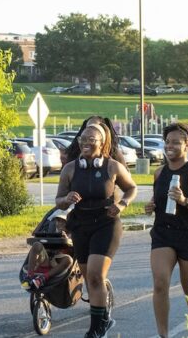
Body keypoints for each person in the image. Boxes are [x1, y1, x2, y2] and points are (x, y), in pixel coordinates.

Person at [55, 122, 137, 338]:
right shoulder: (70, 169)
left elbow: (132, 188)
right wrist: (66, 198)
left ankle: (96, 328)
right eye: (83, 138)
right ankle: (104, 319)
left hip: (106, 224)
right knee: (88, 277)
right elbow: (59, 201)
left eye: (92, 140)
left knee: (94, 275)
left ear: (102, 144)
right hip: (80, 225)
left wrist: (121, 204)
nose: (86, 143)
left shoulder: (112, 167)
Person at [144, 122, 188, 338]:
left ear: (187, 145)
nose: (170, 146)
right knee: (160, 283)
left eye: (175, 142)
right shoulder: (159, 172)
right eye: (167, 142)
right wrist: (151, 205)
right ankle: (163, 335)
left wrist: (185, 201)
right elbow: (158, 198)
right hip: (163, 233)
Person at [21, 209, 72, 290]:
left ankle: (43, 278)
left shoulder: (71, 234)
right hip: (46, 259)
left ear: (67, 223)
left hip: (58, 261)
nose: (59, 223)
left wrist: (66, 240)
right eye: (58, 220)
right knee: (36, 244)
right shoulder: (51, 230)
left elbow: (74, 251)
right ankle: (29, 277)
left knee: (69, 259)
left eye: (63, 221)